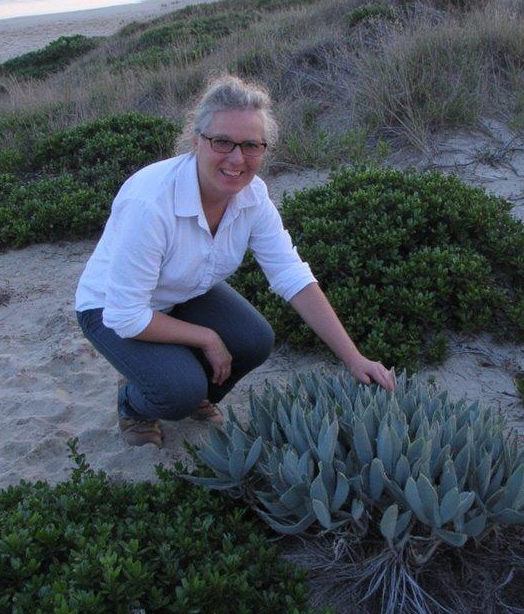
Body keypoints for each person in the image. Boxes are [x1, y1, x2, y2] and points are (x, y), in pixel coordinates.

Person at [75, 74, 395, 448]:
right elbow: (125, 315)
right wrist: (207, 337)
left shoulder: (252, 197)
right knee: (178, 390)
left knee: (255, 340)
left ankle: (175, 381)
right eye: (222, 142)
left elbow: (291, 274)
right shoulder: (150, 203)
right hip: (112, 309)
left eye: (251, 146)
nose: (237, 158)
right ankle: (133, 404)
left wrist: (354, 358)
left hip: (182, 292)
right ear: (196, 140)